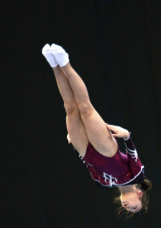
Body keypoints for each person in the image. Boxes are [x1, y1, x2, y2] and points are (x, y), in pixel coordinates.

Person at [41, 44, 152, 216]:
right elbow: (133, 156)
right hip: (107, 150)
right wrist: (127, 136)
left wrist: (75, 144)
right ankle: (65, 64)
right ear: (140, 194)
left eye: (127, 209)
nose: (128, 207)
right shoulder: (137, 177)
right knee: (85, 108)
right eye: (134, 207)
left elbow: (89, 165)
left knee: (70, 108)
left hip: (85, 150)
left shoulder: (103, 184)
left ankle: (54, 66)